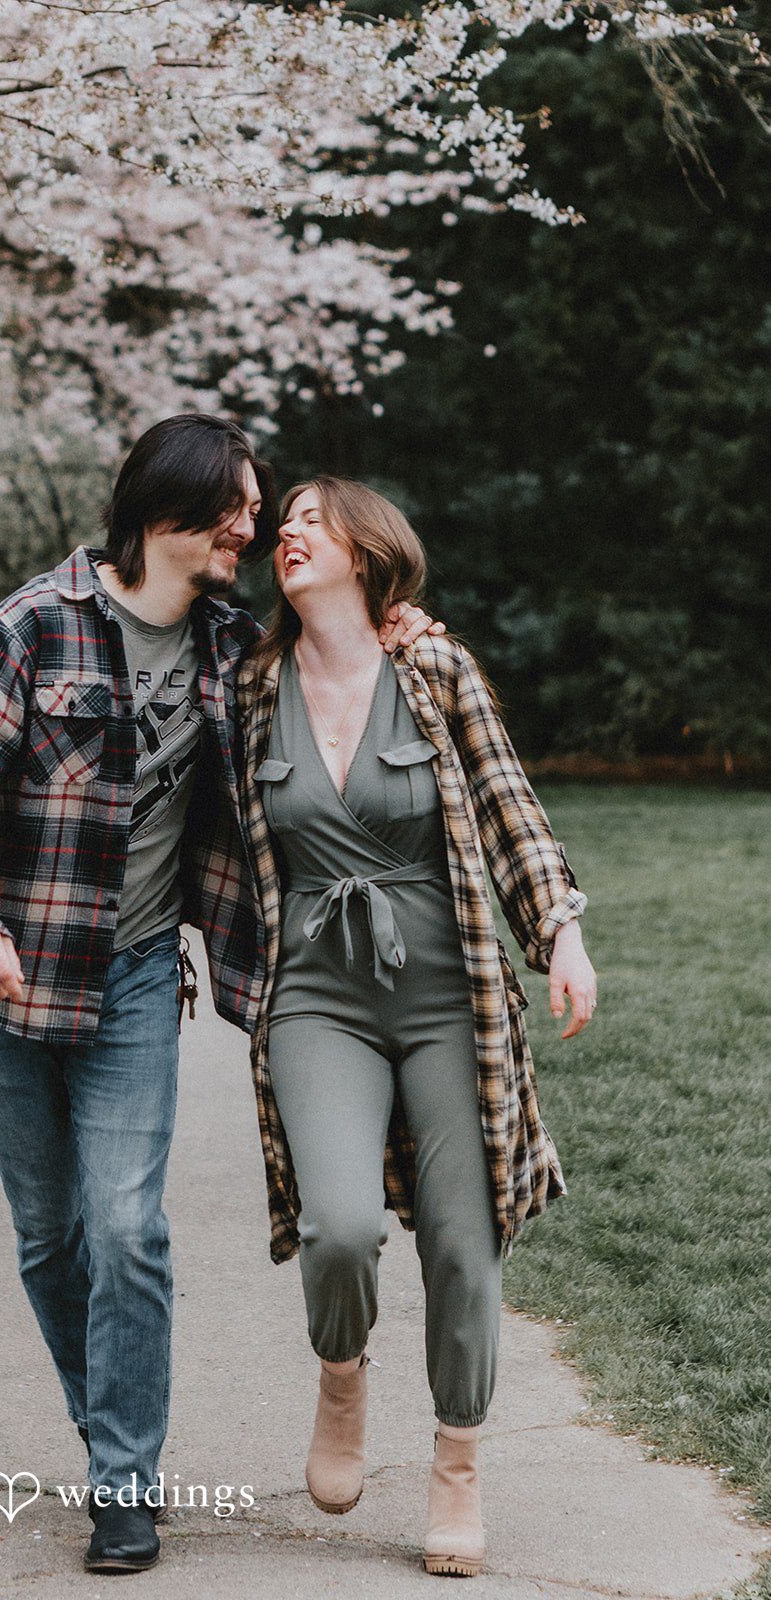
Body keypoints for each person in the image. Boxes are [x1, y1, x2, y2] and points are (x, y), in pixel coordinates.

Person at [0, 416, 439, 1575]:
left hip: (136, 977)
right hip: (4, 979)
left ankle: (124, 1486)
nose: (253, 524)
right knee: (52, 1239)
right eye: (239, 506)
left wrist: (395, 624)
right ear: (169, 511)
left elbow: (334, 657)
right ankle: (111, 1436)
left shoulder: (232, 645)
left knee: (128, 1229)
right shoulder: (33, 626)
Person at [235, 476, 597, 1579]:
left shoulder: (431, 665)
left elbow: (505, 802)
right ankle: (340, 1375)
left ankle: (456, 1462)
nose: (286, 531)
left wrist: (561, 933)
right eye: (280, 520)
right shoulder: (249, 685)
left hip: (446, 990)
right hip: (316, 993)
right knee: (337, 1225)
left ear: (368, 548)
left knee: (460, 1236)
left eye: (311, 517)